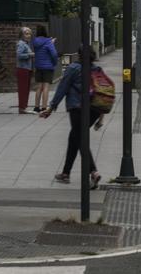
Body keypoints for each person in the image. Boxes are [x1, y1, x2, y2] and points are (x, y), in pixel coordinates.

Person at [39, 45, 102, 189]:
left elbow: (62, 88)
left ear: (79, 55)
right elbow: (102, 93)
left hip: (78, 108)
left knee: (79, 139)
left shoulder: (73, 68)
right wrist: (101, 117)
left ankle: (93, 171)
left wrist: (50, 108)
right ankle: (66, 173)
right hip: (94, 111)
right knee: (75, 138)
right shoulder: (97, 70)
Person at [32, 25, 58, 112]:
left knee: (39, 86)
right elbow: (54, 54)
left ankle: (36, 107)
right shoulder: (48, 42)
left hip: (38, 66)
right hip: (48, 66)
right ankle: (44, 107)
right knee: (46, 86)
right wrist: (54, 63)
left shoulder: (35, 41)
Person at [15, 27, 35, 114]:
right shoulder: (21, 44)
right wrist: (30, 55)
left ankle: (23, 107)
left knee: (26, 89)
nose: (28, 35)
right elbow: (19, 55)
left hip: (27, 68)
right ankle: (22, 108)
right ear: (21, 35)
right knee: (23, 89)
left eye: (29, 33)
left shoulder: (26, 44)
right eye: (26, 33)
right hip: (22, 69)